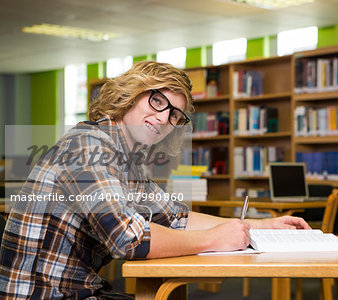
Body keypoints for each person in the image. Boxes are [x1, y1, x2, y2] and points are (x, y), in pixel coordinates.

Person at [0, 61, 310, 299]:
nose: (164, 119)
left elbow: (175, 217)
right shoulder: (89, 145)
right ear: (129, 95)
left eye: (175, 114)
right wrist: (216, 238)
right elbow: (128, 238)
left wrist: (257, 225)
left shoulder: (127, 159)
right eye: (157, 102)